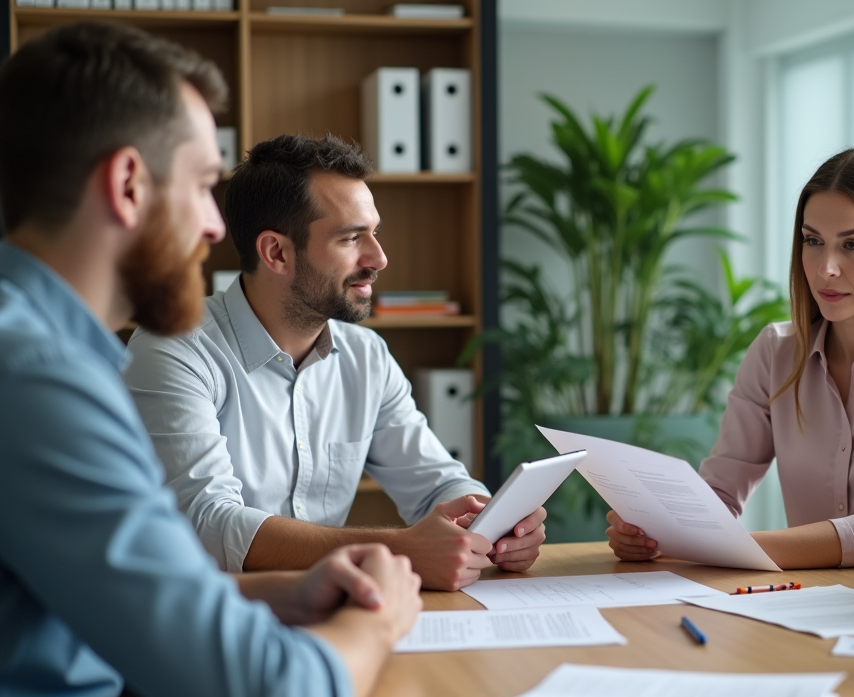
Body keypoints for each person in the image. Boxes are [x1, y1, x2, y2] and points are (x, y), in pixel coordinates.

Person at [0, 22, 422, 697]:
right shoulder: (41, 380)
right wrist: (378, 621)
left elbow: (118, 586)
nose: (215, 226)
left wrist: (284, 591)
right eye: (201, 184)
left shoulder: (41, 349)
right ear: (128, 184)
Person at [123, 133, 545, 591]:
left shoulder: (366, 356)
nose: (379, 258)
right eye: (351, 238)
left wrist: (491, 525)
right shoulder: (174, 349)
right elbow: (207, 523)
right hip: (206, 620)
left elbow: (434, 483)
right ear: (276, 252)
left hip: (335, 610)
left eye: (374, 233)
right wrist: (399, 550)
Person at [607, 146, 854, 568]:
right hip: (800, 605)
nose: (825, 268)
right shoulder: (776, 352)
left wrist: (724, 546)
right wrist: (659, 528)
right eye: (812, 241)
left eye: (853, 245)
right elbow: (718, 495)